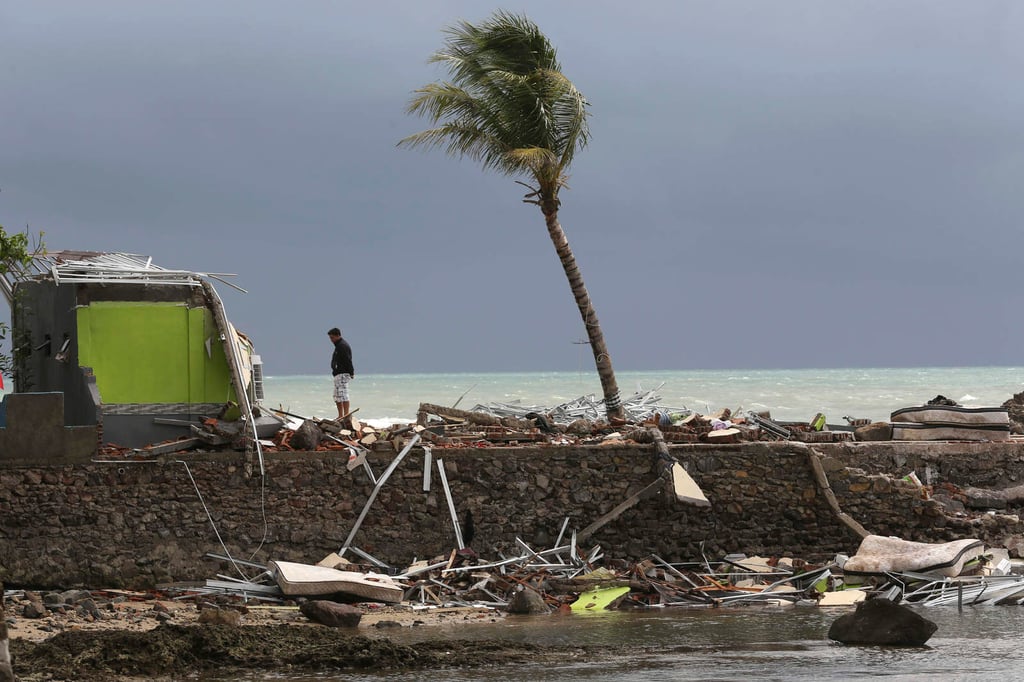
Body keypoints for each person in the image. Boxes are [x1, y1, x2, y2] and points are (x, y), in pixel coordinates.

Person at [327, 327, 354, 420]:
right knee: (337, 395)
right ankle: (340, 415)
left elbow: (348, 360)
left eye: (332, 338)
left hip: (343, 373)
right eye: (330, 338)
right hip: (338, 374)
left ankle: (346, 415)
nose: (331, 340)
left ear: (338, 336)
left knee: (343, 394)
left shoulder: (342, 346)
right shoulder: (338, 346)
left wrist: (351, 372)